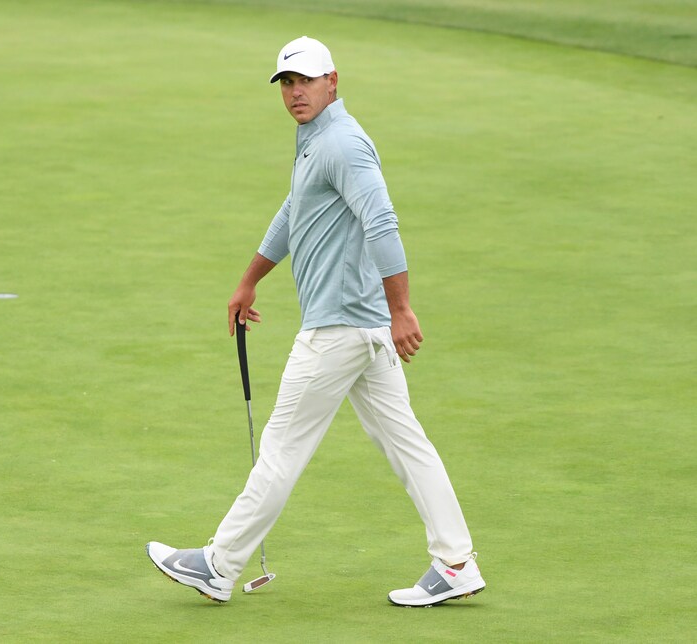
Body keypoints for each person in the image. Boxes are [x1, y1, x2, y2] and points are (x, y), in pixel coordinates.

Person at [146, 36, 485, 607]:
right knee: (407, 444)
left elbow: (382, 222)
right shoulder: (315, 142)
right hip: (363, 328)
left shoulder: (344, 145)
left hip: (340, 329)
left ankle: (218, 564)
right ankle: (455, 562)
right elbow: (294, 209)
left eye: (305, 80)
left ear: (333, 80)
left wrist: (402, 308)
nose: (295, 92)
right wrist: (250, 278)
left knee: (281, 447)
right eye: (286, 83)